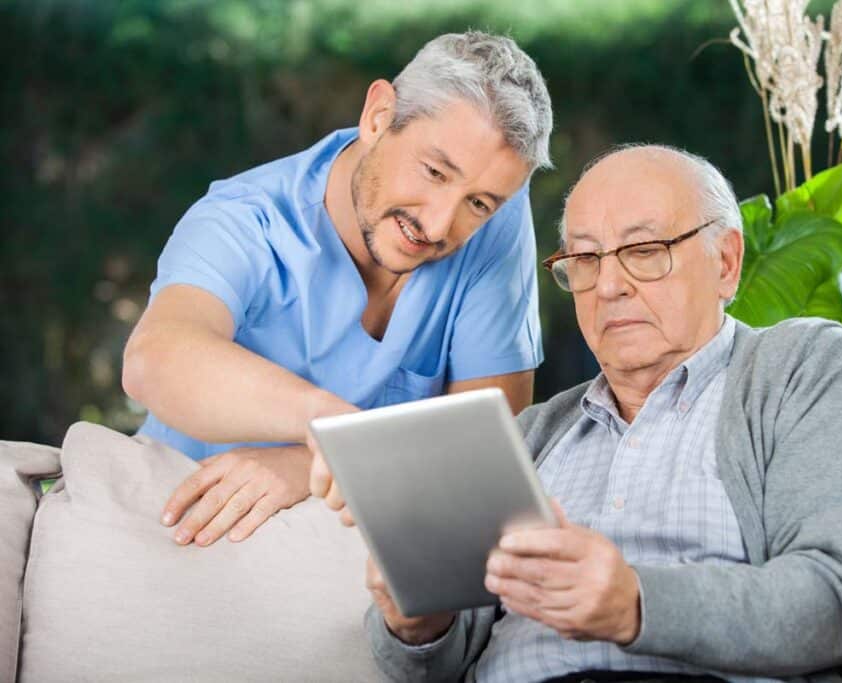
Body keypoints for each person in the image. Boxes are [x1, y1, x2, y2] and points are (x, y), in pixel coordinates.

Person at [323, 145, 842, 682]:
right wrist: (419, 626)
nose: (608, 285)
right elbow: (437, 664)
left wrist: (634, 602)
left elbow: (832, 603)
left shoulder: (798, 370)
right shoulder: (533, 436)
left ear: (726, 262)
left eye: (644, 251)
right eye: (584, 259)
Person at [121, 31, 553, 548]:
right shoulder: (244, 221)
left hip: (355, 552)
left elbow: (491, 444)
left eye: (479, 203)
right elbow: (154, 360)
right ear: (378, 116)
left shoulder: (492, 215)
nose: (440, 225)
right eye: (434, 172)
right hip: (190, 527)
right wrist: (339, 431)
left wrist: (312, 463)